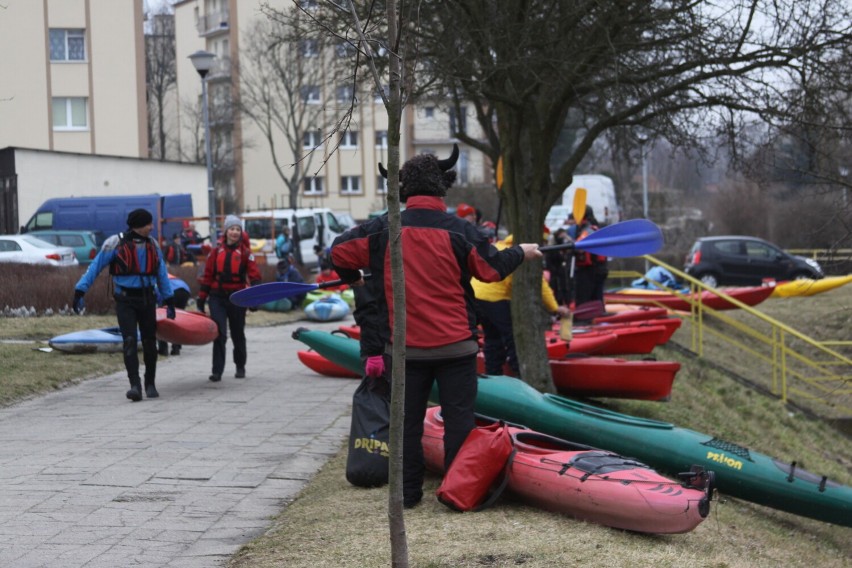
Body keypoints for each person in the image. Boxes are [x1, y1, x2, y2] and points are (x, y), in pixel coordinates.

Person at [330, 145, 542, 508]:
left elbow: (338, 252)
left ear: (403, 190)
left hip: (405, 350)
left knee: (408, 425)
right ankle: (458, 492)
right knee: (459, 424)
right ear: (441, 186)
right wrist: (521, 251)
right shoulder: (461, 231)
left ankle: (409, 495)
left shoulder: (383, 230)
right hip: (456, 348)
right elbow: (490, 270)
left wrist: (357, 279)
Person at [73, 208, 176, 402]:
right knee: (129, 341)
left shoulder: (152, 244)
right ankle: (135, 386)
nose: (151, 227)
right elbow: (95, 267)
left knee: (149, 342)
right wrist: (80, 290)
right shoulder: (114, 244)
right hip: (125, 300)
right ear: (138, 225)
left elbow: (161, 273)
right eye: (148, 224)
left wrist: (169, 299)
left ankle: (150, 383)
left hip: (147, 299)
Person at [473, 233, 570, 377]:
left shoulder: (499, 246)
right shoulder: (525, 254)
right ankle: (519, 373)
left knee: (493, 337)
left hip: (476, 295)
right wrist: (555, 308)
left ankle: (493, 372)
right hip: (494, 298)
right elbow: (541, 286)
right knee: (511, 336)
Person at [196, 214, 262, 382]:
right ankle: (217, 371)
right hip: (217, 297)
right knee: (219, 334)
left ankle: (240, 366)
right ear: (225, 231)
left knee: (238, 333)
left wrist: (254, 299)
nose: (234, 232)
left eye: (237, 229)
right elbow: (208, 276)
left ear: (241, 232)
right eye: (232, 229)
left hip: (237, 297)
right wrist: (202, 299)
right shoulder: (215, 252)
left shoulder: (246, 254)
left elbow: (254, 276)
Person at [573, 205, 609, 308]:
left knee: (585, 299)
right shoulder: (595, 227)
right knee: (597, 298)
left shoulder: (587, 229)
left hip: (589, 271)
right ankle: (596, 317)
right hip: (599, 269)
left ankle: (585, 320)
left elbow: (579, 246)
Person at [157, 276, 191, 356]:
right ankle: (176, 347)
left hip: (170, 291)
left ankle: (163, 349)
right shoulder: (166, 273)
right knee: (177, 319)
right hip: (185, 289)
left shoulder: (152, 276)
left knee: (163, 321)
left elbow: (158, 293)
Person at [545, 227, 573, 306]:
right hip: (555, 272)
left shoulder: (564, 244)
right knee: (557, 289)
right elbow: (550, 261)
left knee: (565, 287)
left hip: (563, 271)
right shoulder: (553, 247)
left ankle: (566, 301)